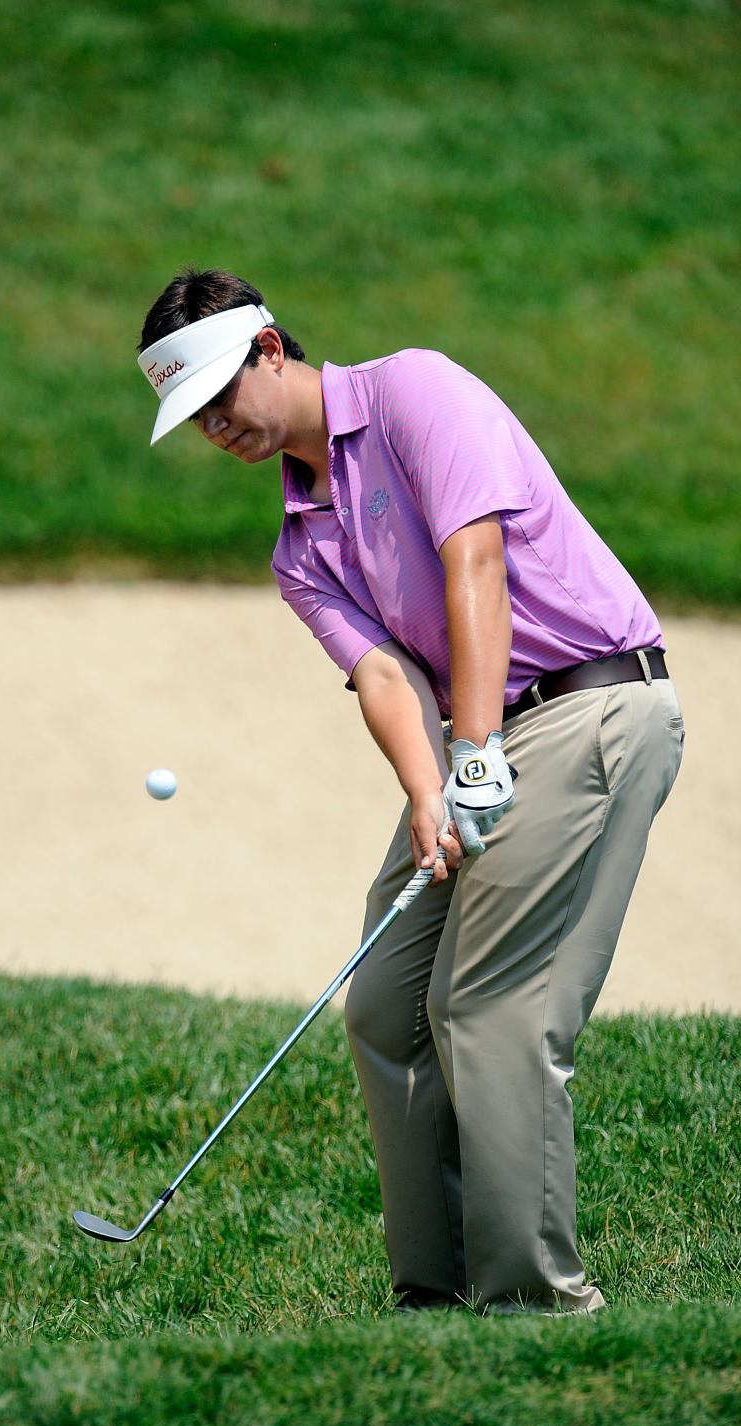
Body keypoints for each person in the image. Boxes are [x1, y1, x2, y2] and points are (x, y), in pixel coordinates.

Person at [136, 267, 684, 1315]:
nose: (214, 427)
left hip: (592, 706)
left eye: (218, 396)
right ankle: (431, 1301)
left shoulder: (414, 393)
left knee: (485, 1006)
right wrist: (433, 788)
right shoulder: (299, 549)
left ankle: (532, 1301)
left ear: (269, 349)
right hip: (489, 738)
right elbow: (386, 675)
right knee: (388, 1005)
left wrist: (474, 752)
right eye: (191, 417)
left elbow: (473, 562)